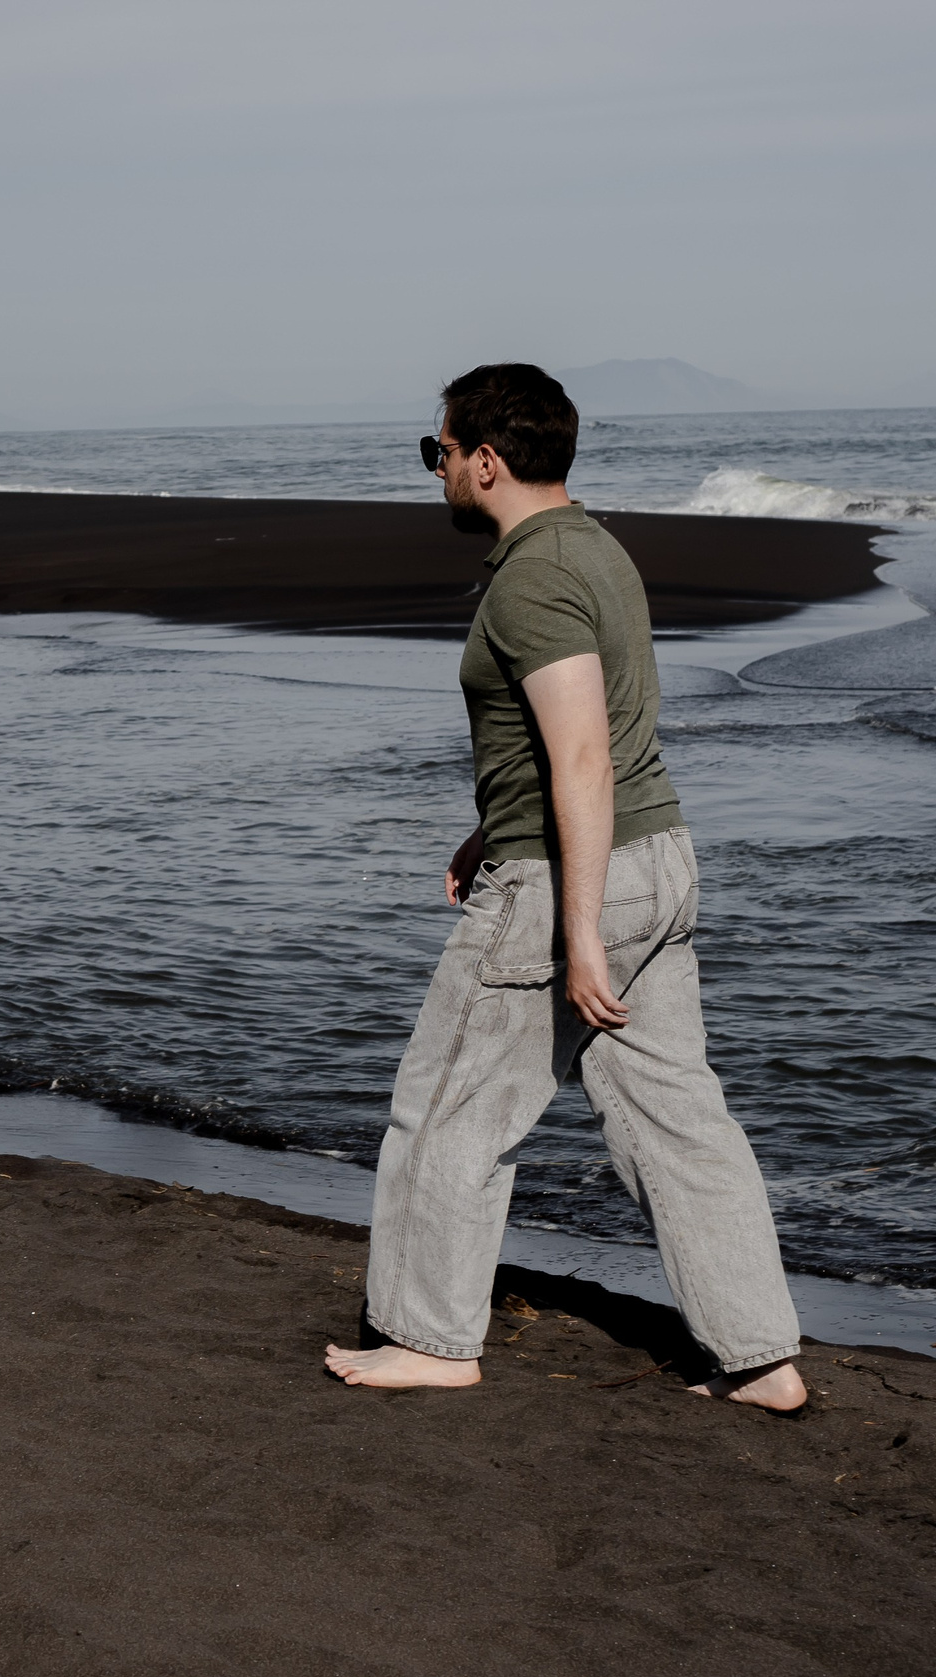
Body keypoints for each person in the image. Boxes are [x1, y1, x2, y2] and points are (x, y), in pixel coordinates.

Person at [322, 363, 808, 1413]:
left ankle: (426, 1336)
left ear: (485, 460)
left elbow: (583, 754)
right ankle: (762, 1356)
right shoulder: (595, 549)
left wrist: (575, 931)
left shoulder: (534, 576)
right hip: (656, 863)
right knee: (676, 1119)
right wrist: (484, 824)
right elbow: (581, 741)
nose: (437, 470)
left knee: (446, 1107)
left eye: (437, 452)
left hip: (567, 885)